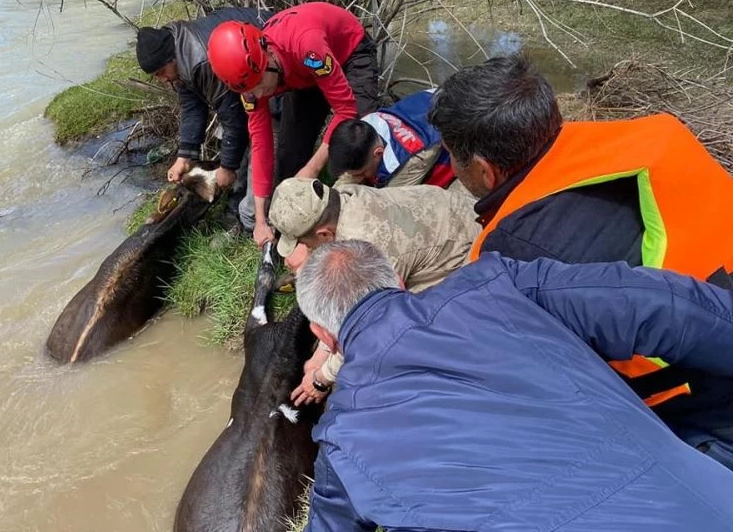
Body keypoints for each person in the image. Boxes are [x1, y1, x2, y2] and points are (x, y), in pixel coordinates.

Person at [296, 240, 733, 531]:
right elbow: (664, 305)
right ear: (400, 283)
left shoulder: (342, 442)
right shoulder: (501, 284)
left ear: (324, 335)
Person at [429, 53, 733, 468]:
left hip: (703, 413)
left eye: (450, 154)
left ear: (484, 170)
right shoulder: (658, 132)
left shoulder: (509, 255)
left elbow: (532, 380)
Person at [266, 177, 481, 405]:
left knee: (400, 336)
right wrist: (320, 353)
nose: (304, 248)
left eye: (303, 242)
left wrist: (322, 378)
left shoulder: (372, 248)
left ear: (325, 234)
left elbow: (366, 329)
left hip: (468, 250)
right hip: (456, 213)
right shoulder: (342, 197)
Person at [206, 2, 380, 247]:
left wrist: (312, 167)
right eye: (249, 90)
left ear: (267, 55)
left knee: (356, 141)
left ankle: (367, 217)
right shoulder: (250, 87)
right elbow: (261, 144)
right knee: (288, 158)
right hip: (300, 76)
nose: (258, 93)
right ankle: (295, 232)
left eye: (258, 82)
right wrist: (259, 219)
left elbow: (345, 109)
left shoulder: (306, 46)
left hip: (348, 52)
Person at [135, 7, 271, 231]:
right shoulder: (179, 56)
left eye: (161, 73)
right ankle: (240, 204)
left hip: (268, 58)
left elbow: (234, 117)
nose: (161, 80)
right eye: (155, 76)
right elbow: (191, 106)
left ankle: (247, 218)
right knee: (242, 143)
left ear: (171, 59)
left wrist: (227, 167)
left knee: (263, 139)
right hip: (249, 65)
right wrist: (184, 156)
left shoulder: (201, 62)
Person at [327, 89, 455, 188]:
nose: (358, 178)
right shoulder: (363, 129)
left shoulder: (410, 161)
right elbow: (349, 176)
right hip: (440, 99)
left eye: (361, 173)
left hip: (467, 135)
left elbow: (390, 203)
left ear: (378, 153)